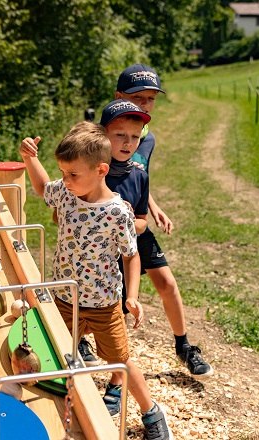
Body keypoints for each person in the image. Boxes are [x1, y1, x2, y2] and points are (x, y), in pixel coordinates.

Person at [19, 122, 172, 440]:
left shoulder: (118, 212)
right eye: (64, 172)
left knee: (121, 361)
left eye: (73, 174)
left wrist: (132, 296)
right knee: (54, 348)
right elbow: (42, 187)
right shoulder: (65, 192)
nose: (66, 180)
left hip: (103, 304)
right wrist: (30, 159)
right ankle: (52, 404)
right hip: (65, 297)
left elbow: (131, 255)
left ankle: (151, 412)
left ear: (101, 169)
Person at [79, 64, 214, 379]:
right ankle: (85, 342)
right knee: (99, 292)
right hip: (101, 231)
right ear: (118, 96)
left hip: (135, 223)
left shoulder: (145, 138)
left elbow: (138, 175)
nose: (144, 104)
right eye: (138, 98)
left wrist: (152, 206)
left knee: (166, 282)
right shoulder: (102, 136)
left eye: (150, 99)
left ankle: (183, 346)